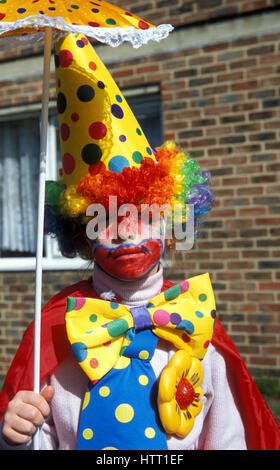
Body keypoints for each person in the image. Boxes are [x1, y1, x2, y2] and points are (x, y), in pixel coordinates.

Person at [0, 33, 279, 450]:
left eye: (143, 213)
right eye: (104, 217)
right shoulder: (55, 334)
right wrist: (19, 438)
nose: (126, 230)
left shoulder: (197, 330)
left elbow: (228, 440)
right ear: (81, 234)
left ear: (170, 228)